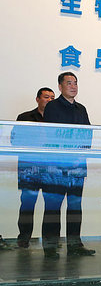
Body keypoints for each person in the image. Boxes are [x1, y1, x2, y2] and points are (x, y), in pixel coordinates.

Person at [42, 72, 94, 258]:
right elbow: (53, 135)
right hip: (56, 167)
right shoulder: (52, 107)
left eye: (75, 83)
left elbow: (88, 134)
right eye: (69, 83)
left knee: (74, 207)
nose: (73, 86)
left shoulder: (81, 109)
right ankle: (50, 246)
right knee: (53, 207)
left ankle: (74, 245)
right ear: (60, 86)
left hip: (77, 166)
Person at [12, 87, 55, 248]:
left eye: (52, 98)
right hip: (29, 168)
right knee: (27, 205)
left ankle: (50, 242)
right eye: (46, 97)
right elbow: (14, 141)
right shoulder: (24, 117)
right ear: (37, 99)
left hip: (52, 168)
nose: (49, 100)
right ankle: (23, 238)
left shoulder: (57, 119)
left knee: (51, 207)